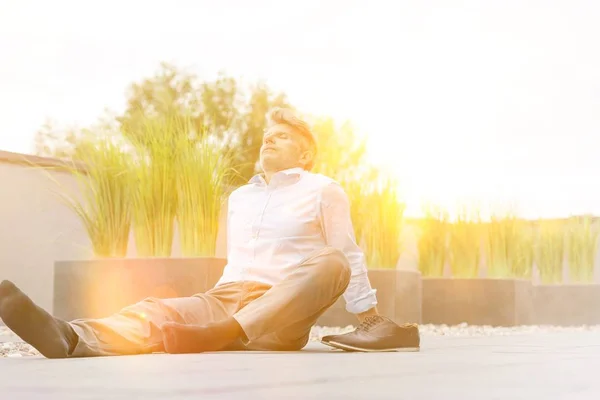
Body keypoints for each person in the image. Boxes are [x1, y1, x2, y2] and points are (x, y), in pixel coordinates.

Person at [0, 107, 419, 359]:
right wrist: (209, 305)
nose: (268, 141)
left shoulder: (323, 189)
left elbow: (347, 254)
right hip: (225, 298)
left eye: (281, 137)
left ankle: (224, 334)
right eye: (266, 137)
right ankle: (70, 337)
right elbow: (235, 262)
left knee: (332, 261)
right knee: (159, 310)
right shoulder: (240, 197)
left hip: (279, 315)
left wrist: (371, 320)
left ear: (305, 152)